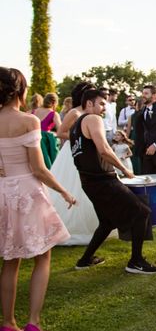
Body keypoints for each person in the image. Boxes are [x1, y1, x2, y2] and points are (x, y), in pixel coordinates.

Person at [0, 67, 74, 331]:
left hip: (2, 192)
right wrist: (64, 191)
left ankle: (7, 322)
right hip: (27, 191)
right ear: (20, 90)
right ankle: (34, 322)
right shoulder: (28, 121)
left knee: (10, 259)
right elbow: (39, 169)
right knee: (42, 255)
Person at [71, 89, 156, 274]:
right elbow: (103, 149)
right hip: (103, 180)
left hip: (88, 182)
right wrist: (125, 169)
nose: (104, 107)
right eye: (101, 103)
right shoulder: (93, 119)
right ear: (89, 104)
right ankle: (136, 261)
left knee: (107, 222)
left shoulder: (75, 124)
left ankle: (85, 259)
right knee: (142, 212)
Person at [48, 81, 100, 245]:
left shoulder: (93, 114)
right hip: (72, 154)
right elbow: (60, 132)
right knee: (73, 186)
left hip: (89, 154)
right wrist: (79, 137)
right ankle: (69, 228)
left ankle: (96, 226)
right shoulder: (74, 112)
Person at [32, 93, 61, 169]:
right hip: (45, 143)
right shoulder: (53, 114)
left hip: (33, 139)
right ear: (54, 103)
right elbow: (61, 129)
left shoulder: (33, 111)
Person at [127, 97, 145, 174]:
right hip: (139, 136)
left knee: (136, 155)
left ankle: (137, 171)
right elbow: (128, 128)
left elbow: (128, 129)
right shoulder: (134, 116)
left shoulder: (132, 116)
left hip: (136, 135)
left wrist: (126, 139)